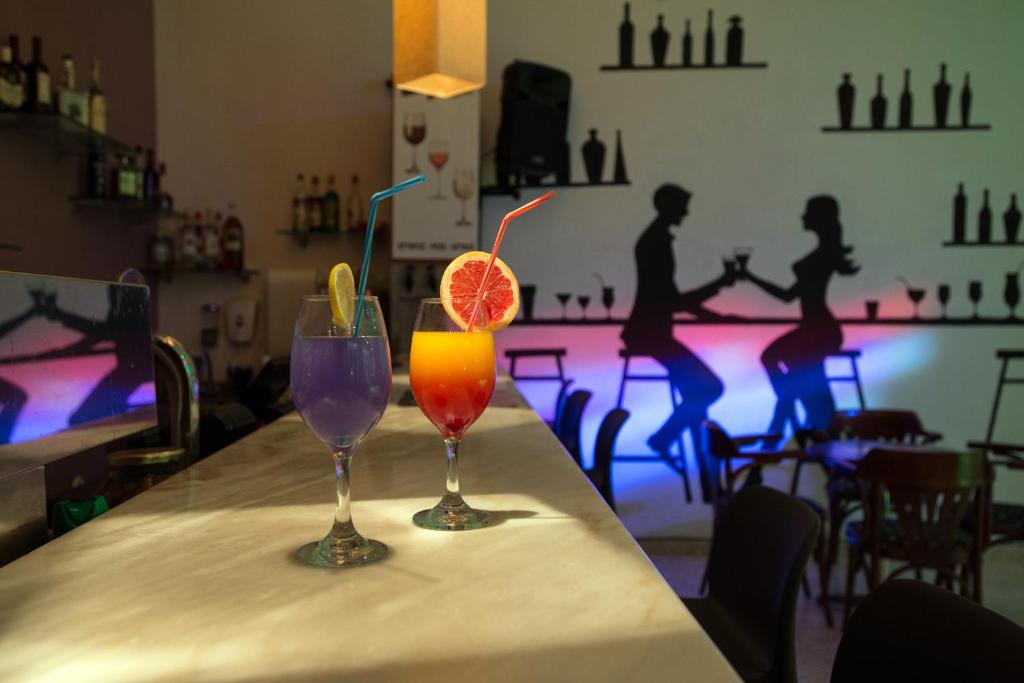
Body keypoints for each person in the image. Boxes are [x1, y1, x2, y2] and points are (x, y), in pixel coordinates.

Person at [622, 183, 736, 503]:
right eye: (683, 205)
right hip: (650, 334)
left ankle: (709, 487)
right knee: (711, 388)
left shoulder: (656, 238)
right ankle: (664, 440)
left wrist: (713, 311)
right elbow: (671, 300)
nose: (686, 212)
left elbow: (670, 299)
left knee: (698, 397)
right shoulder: (655, 242)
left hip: (653, 332)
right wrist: (717, 292)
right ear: (669, 206)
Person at [743, 195, 859, 434]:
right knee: (806, 379)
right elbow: (789, 295)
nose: (803, 217)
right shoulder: (825, 252)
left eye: (808, 212)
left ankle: (788, 421)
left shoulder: (823, 254)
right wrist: (751, 278)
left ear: (819, 218)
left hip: (818, 330)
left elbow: (787, 296)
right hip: (816, 329)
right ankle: (798, 422)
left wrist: (751, 277)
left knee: (783, 365)